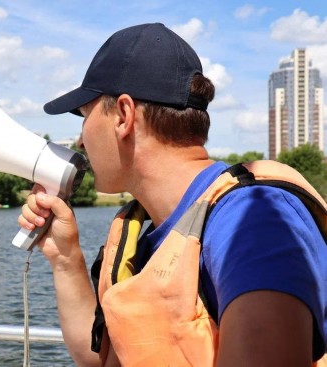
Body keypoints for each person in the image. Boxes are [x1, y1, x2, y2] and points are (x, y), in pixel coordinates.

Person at [18, 23, 327, 366]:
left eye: (85, 116)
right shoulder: (154, 230)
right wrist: (65, 258)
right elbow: (102, 360)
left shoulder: (253, 222)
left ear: (123, 115)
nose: (80, 140)